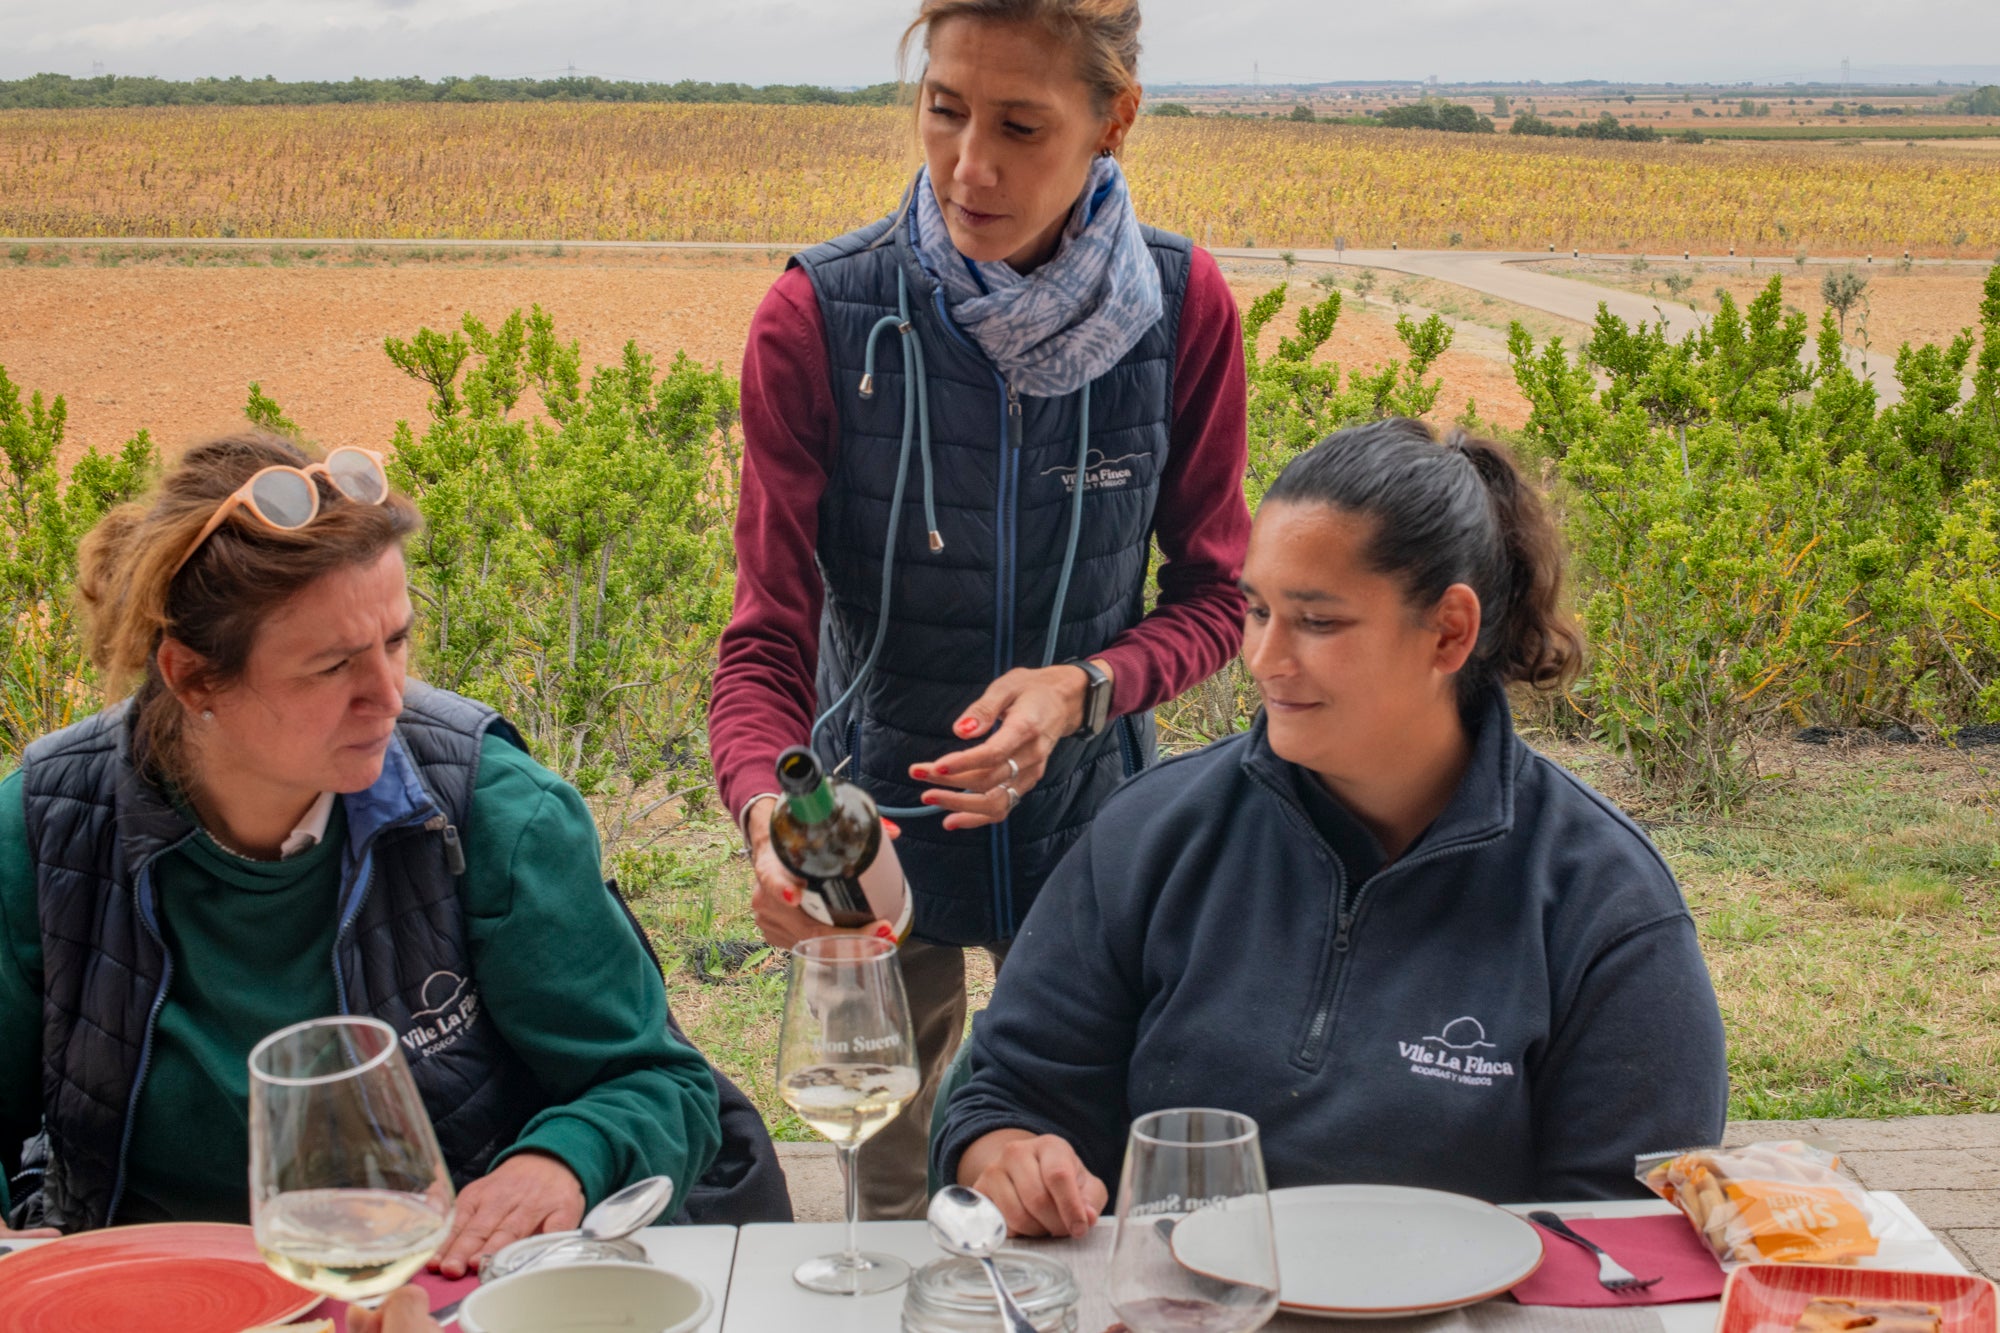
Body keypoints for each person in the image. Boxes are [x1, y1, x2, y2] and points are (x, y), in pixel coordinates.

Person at [708, 0, 1252, 1220]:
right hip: (872, 852)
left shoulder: (1182, 307)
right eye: (943, 110)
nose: (968, 166)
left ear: (1113, 122)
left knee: (1072, 1190)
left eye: (1019, 125)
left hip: (1092, 834)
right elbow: (764, 645)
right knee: (895, 1199)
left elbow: (1218, 596)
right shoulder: (818, 317)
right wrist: (768, 818)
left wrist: (1082, 688)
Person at [0, 432, 789, 1267]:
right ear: (193, 677)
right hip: (152, 1296)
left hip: (441, 1288)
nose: (387, 695)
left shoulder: (491, 812)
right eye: (334, 665)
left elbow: (659, 1086)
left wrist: (560, 1161)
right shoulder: (45, 832)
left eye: (397, 641)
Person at [933, 419, 1732, 1237]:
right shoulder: (1149, 836)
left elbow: (1633, 1234)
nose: (1265, 657)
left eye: (1316, 622)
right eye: (1255, 611)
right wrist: (1009, 1156)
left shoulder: (1605, 902)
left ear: (1450, 630)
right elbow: (1003, 1098)